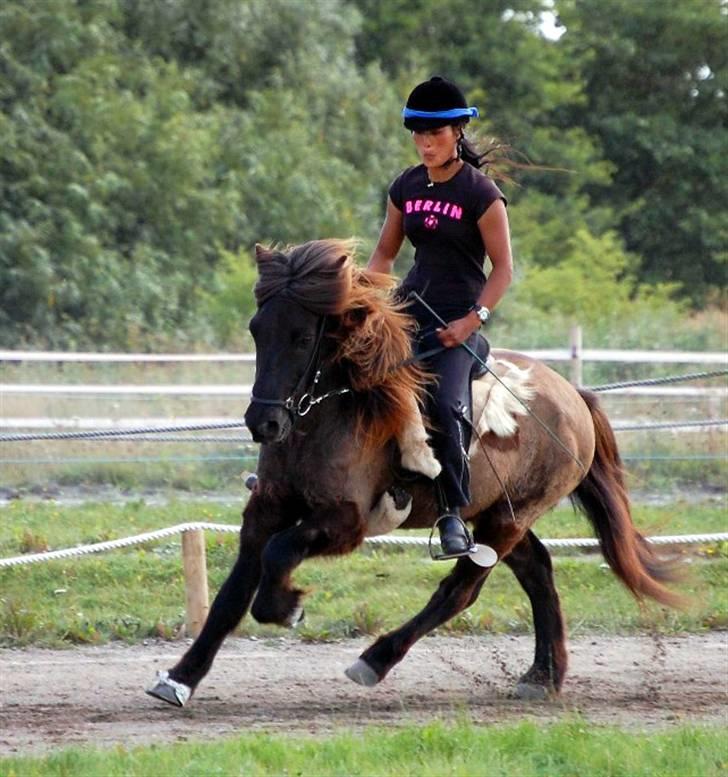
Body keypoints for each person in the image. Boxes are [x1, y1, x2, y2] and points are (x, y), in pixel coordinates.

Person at [367, 76, 514, 559]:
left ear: (456, 133)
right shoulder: (404, 186)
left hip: (458, 326)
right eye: (418, 135)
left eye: (435, 135)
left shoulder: (482, 194)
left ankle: (452, 512)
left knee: (447, 407)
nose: (425, 144)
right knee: (345, 375)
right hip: (408, 314)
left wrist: (474, 320)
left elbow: (503, 270)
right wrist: (369, 305)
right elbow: (385, 256)